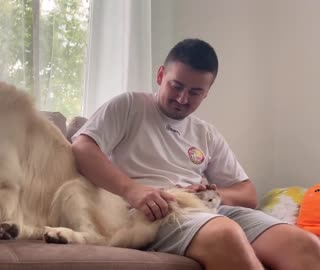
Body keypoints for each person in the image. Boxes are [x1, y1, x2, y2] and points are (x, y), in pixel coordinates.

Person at [71, 38, 320, 270]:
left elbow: (248, 193)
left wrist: (213, 195)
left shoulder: (206, 133)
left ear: (207, 91)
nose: (182, 98)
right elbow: (82, 147)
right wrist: (131, 190)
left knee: (306, 244)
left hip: (207, 211)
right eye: (176, 86)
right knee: (224, 233)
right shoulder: (129, 105)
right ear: (160, 75)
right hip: (154, 214)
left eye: (195, 92)